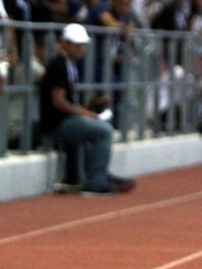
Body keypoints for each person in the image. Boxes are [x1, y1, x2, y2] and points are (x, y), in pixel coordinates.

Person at [38, 23, 135, 196]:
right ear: (64, 44)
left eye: (81, 45)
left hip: (65, 120)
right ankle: (95, 181)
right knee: (104, 131)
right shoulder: (58, 65)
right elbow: (59, 102)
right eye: (76, 45)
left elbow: (67, 102)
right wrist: (86, 113)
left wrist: (91, 106)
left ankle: (99, 175)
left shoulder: (70, 66)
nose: (80, 49)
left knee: (97, 128)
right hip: (57, 123)